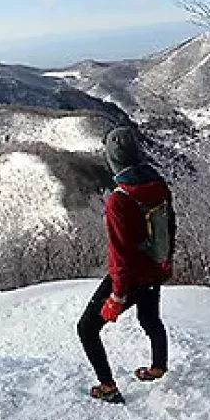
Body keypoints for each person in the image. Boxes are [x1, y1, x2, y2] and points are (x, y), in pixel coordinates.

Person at [76, 126, 176, 404]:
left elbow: (120, 255)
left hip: (131, 278)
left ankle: (108, 388)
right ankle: (158, 368)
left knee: (86, 328)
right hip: (154, 269)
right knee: (150, 319)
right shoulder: (159, 186)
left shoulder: (118, 200)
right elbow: (170, 227)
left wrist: (117, 296)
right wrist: (165, 263)